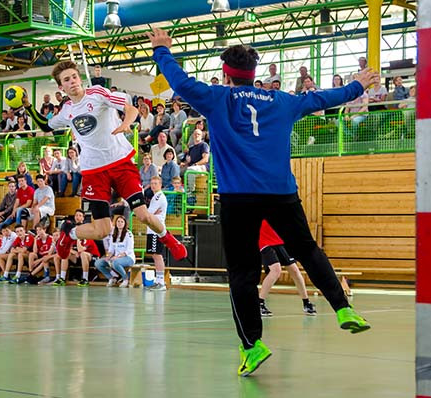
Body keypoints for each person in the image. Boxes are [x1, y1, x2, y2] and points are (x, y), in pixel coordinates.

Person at [148, 27, 376, 376]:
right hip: (281, 193)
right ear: (255, 74)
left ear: (226, 74)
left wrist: (163, 49)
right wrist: (359, 83)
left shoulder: (216, 98)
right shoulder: (283, 100)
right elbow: (325, 98)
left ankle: (253, 346)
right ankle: (343, 307)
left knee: (242, 273)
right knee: (308, 250)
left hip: (239, 199)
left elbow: (178, 81)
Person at [22, 60, 187, 264]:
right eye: (67, 80)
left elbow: (131, 109)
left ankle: (168, 239)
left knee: (143, 215)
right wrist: (29, 107)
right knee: (102, 231)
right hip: (93, 171)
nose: (72, 81)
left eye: (74, 77)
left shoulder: (97, 93)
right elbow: (46, 126)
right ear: (60, 87)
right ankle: (69, 233)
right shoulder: (66, 110)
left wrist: (126, 123)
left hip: (120, 163)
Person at [257, 220, 316, 317]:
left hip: (278, 241)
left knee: (295, 271)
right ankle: (260, 303)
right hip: (264, 242)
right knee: (276, 270)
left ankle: (306, 303)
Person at [94, 215, 135, 287]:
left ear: (125, 223)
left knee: (115, 262)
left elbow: (129, 250)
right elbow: (111, 249)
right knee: (98, 263)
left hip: (128, 257)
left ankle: (125, 279)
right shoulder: (114, 234)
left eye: (122, 222)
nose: (119, 223)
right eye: (118, 221)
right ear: (115, 223)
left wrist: (117, 257)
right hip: (116, 258)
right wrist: (108, 256)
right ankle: (112, 278)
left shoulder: (129, 234)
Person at [145, 176, 170, 291]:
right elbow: (148, 214)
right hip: (151, 229)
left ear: (160, 185)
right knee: (154, 255)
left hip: (156, 229)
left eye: (156, 183)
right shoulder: (154, 196)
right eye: (152, 183)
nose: (153, 185)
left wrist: (150, 214)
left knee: (157, 255)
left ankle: (161, 283)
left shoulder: (159, 196)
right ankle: (158, 280)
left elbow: (148, 213)